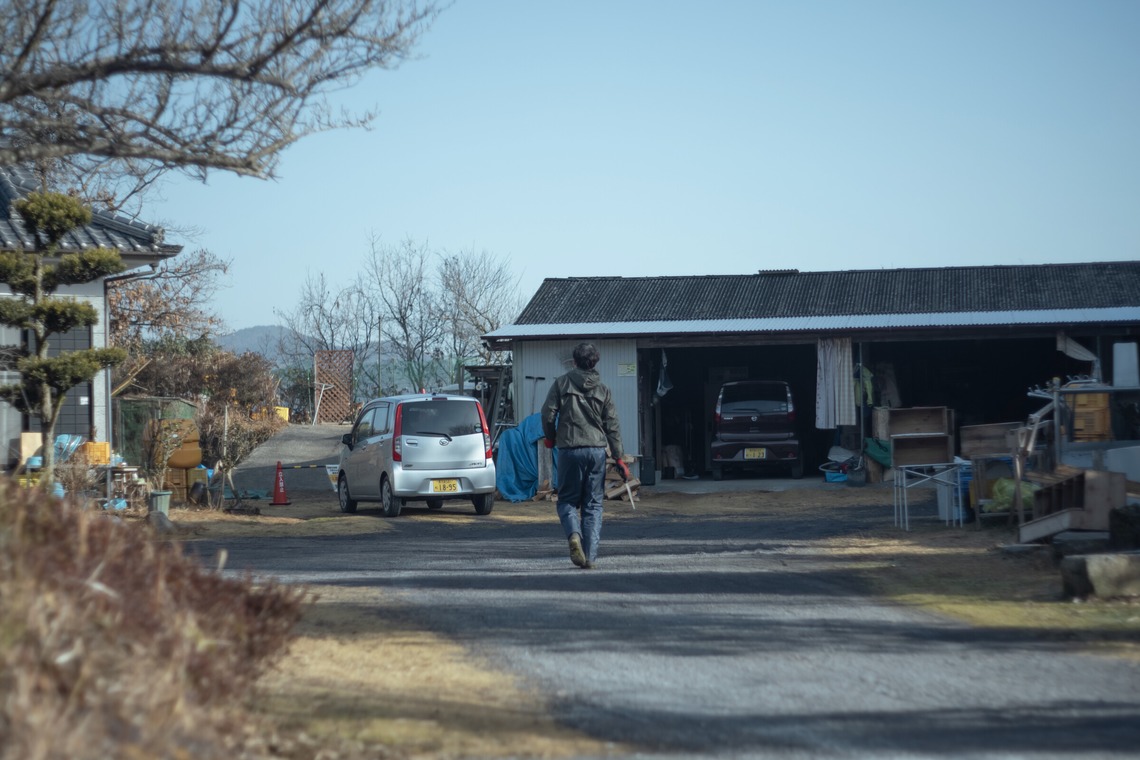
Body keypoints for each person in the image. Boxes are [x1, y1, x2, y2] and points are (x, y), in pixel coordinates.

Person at [541, 342, 629, 569]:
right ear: (595, 362)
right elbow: (613, 426)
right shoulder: (604, 389)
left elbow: (547, 413)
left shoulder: (561, 383)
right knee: (593, 504)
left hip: (569, 450)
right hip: (596, 451)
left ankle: (573, 535)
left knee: (567, 500)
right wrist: (619, 457)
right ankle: (589, 557)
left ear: (574, 361)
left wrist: (550, 438)